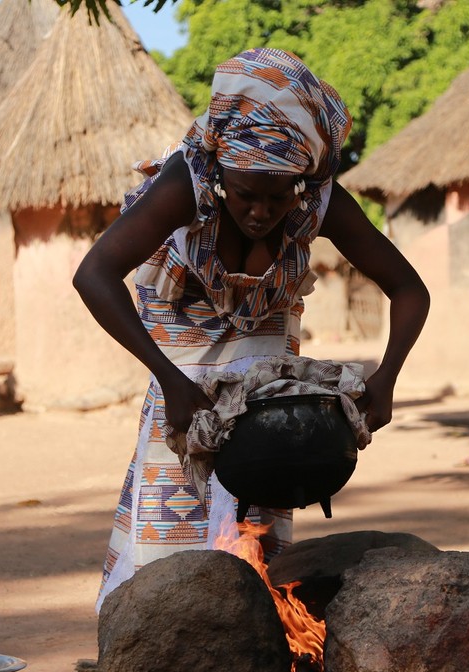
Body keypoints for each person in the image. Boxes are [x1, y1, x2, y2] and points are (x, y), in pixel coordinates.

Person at [73, 48, 430, 610]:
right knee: (167, 559)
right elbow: (93, 275)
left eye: (276, 196)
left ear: (299, 183)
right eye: (246, 194)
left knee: (256, 563)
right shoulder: (184, 185)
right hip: (185, 385)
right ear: (220, 175)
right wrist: (168, 379)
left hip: (270, 407)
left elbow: (410, 289)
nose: (261, 212)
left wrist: (385, 379)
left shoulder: (317, 202)